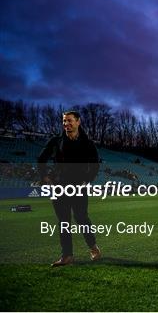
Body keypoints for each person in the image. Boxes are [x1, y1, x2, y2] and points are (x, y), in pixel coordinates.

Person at [38, 111, 101, 267]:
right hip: (59, 187)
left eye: (70, 121)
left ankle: (93, 247)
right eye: (64, 121)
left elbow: (95, 164)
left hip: (79, 187)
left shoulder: (88, 143)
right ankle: (67, 256)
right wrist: (45, 176)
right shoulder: (56, 141)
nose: (66, 124)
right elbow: (41, 159)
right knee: (64, 221)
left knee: (81, 218)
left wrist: (87, 180)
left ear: (78, 122)